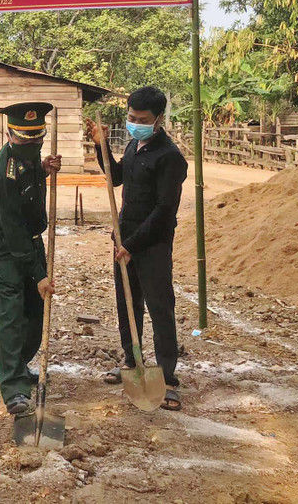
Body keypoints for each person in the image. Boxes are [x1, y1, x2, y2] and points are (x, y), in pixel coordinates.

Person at [85, 85, 188, 411]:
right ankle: (132, 361)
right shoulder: (133, 146)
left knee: (159, 309)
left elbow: (163, 211)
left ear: (158, 119)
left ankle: (167, 378)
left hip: (152, 245)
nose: (133, 122)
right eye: (131, 116)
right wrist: (101, 146)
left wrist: (132, 244)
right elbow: (115, 178)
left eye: (141, 119)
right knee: (126, 305)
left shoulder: (170, 158)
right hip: (124, 240)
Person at [0, 102, 61, 416]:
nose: (32, 144)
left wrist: (44, 167)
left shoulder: (27, 160)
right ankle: (14, 387)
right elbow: (13, 232)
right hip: (6, 244)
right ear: (9, 135)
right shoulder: (1, 174)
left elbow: (29, 178)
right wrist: (38, 272)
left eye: (37, 138)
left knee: (36, 306)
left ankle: (21, 363)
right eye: (25, 140)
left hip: (30, 238)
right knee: (12, 310)